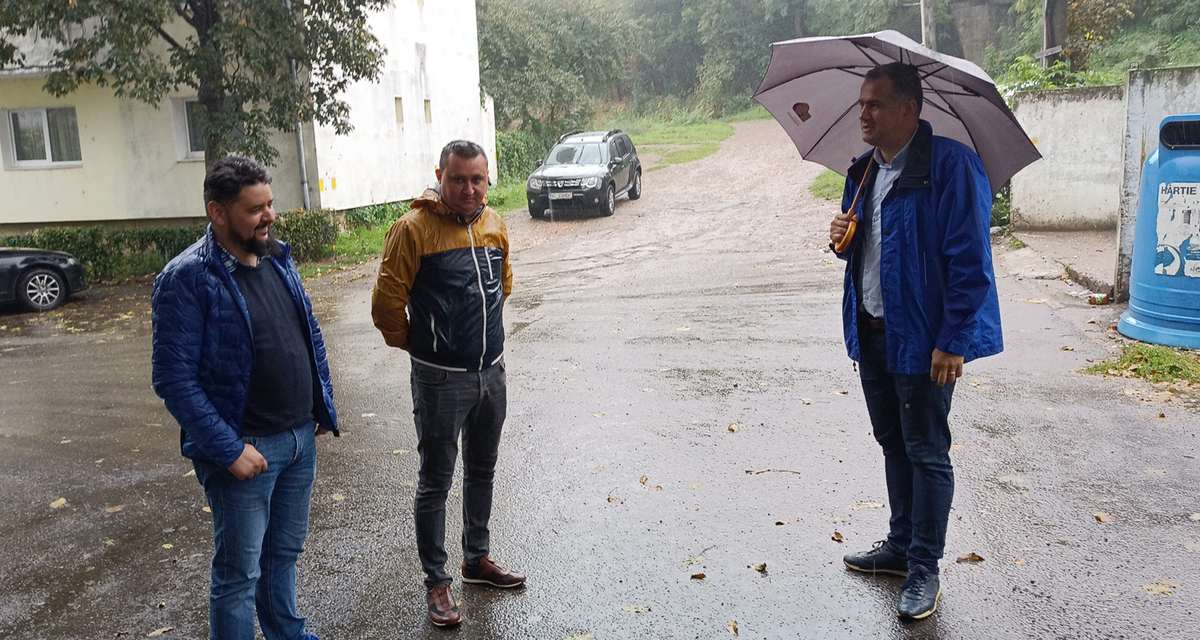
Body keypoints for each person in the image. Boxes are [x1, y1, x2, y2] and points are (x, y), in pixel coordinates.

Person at [829, 62, 1002, 620]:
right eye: (861, 104)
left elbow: (971, 262)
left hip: (926, 339)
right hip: (873, 329)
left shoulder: (951, 167)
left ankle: (924, 567)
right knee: (892, 442)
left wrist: (953, 340)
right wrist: (841, 239)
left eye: (875, 104)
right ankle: (900, 546)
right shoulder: (862, 173)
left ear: (909, 108)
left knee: (926, 450)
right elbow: (867, 252)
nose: (864, 114)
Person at [151, 156, 338, 640]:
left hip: (298, 438)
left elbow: (309, 333)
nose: (269, 216)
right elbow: (173, 379)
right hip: (245, 449)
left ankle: (287, 634)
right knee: (238, 575)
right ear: (218, 212)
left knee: (284, 554)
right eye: (255, 209)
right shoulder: (187, 277)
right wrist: (229, 450)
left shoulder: (277, 256)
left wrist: (320, 405)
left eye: (270, 204)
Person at [372, 140, 523, 628]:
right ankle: (437, 582)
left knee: (483, 470)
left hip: (491, 373)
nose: (469, 189)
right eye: (458, 179)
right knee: (436, 481)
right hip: (440, 380)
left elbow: (503, 285)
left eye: (477, 179)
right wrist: (423, 348)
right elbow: (386, 305)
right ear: (440, 176)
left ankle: (476, 560)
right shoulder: (413, 229)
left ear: (487, 178)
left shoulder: (494, 224)